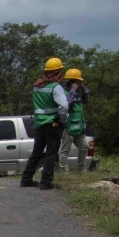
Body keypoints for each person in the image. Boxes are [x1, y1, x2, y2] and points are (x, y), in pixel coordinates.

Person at [20, 57, 69, 190]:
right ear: (58, 72)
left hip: (39, 124)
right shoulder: (56, 87)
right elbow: (64, 106)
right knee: (51, 153)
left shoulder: (37, 86)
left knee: (37, 152)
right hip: (53, 124)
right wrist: (63, 120)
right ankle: (46, 182)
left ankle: (26, 180)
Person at [58, 69, 90, 173]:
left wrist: (84, 90)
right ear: (72, 81)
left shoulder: (78, 93)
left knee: (84, 146)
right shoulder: (64, 92)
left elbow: (85, 101)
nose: (79, 83)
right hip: (68, 126)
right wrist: (72, 90)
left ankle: (81, 169)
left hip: (79, 126)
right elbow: (67, 103)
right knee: (65, 150)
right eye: (78, 81)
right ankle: (64, 171)